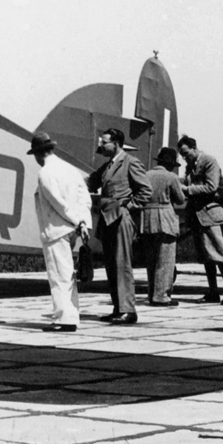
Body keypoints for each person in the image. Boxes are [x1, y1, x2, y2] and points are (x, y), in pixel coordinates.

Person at [29, 131, 93, 332]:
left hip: (56, 229)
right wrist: (83, 223)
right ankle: (71, 316)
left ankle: (64, 319)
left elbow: (58, 203)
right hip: (72, 230)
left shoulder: (45, 173)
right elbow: (86, 199)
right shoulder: (70, 169)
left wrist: (75, 219)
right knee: (68, 275)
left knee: (59, 275)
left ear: (39, 154)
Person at [86, 128, 151, 324]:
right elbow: (90, 182)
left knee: (122, 264)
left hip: (121, 218)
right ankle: (118, 307)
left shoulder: (130, 163)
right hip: (107, 218)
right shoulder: (107, 166)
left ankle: (128, 310)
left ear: (116, 143)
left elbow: (146, 190)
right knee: (111, 264)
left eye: (104, 142)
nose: (101, 145)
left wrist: (128, 206)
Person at [177, 135, 223, 305]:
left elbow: (211, 186)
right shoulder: (190, 166)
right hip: (197, 216)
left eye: (186, 153)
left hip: (211, 215)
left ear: (194, 148)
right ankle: (213, 291)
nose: (184, 157)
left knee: (220, 253)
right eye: (182, 154)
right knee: (205, 255)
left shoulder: (209, 161)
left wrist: (187, 189)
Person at [142, 147, 186, 306]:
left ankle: (151, 294)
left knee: (151, 260)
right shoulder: (171, 177)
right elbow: (180, 199)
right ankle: (162, 296)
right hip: (166, 219)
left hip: (147, 219)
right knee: (166, 261)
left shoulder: (145, 175)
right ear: (171, 164)